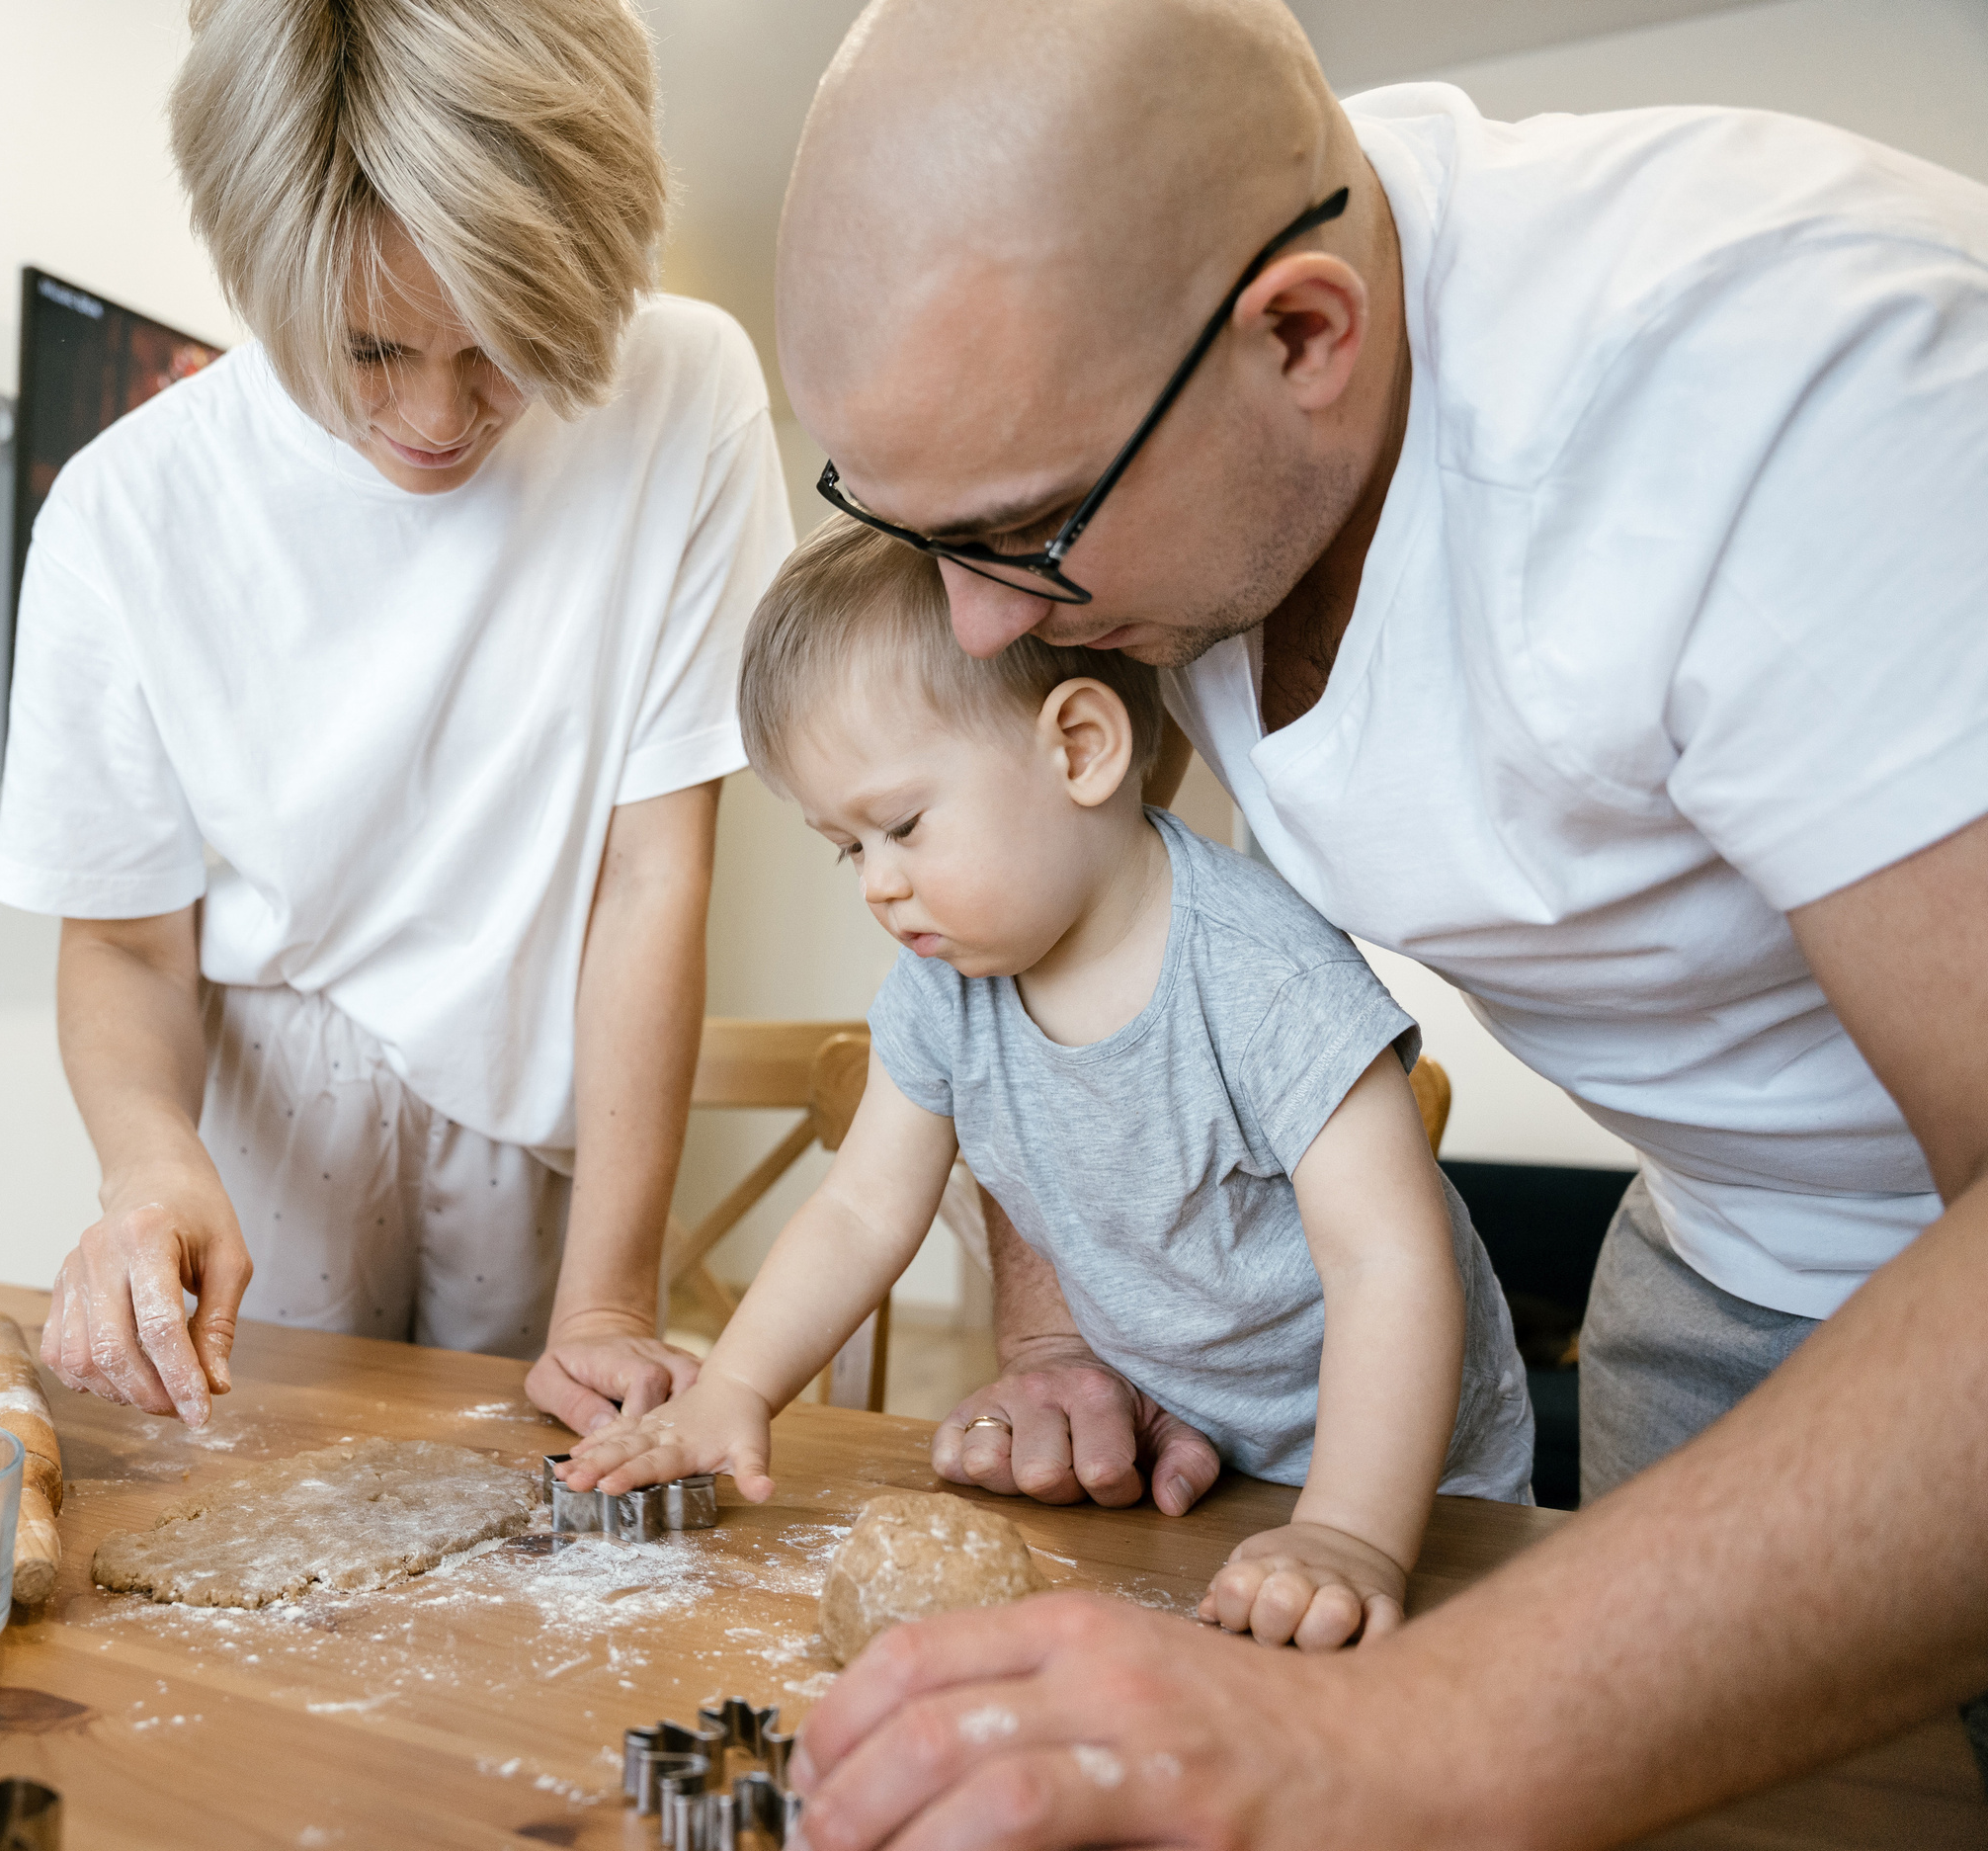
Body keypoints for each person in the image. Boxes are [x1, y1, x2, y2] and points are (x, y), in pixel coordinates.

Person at [769, 0, 1988, 1843]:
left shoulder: (1797, 384)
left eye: (1019, 532)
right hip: (1710, 1268)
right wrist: (1055, 1340)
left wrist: (1392, 1742)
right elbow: (1057, 980)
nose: (975, 629)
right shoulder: (1162, 432)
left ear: (1303, 339)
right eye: (900, 520)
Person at [0, 0, 790, 1439]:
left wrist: (606, 1299)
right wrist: (148, 1161)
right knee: (261, 1528)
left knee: (532, 1526)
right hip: (267, 1097)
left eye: (498, 350)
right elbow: (121, 940)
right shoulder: (124, 511)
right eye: (368, 351)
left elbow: (652, 872)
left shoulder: (685, 390)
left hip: (542, 1080)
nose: (436, 414)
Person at [557, 518, 1532, 1649]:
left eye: (902, 825)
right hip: (1197, 1472)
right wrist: (734, 1388)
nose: (876, 885)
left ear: (1076, 748)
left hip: (1404, 1486)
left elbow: (1387, 1258)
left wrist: (1352, 1531)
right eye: (846, 846)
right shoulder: (943, 988)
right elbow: (862, 1209)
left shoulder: (1265, 976)